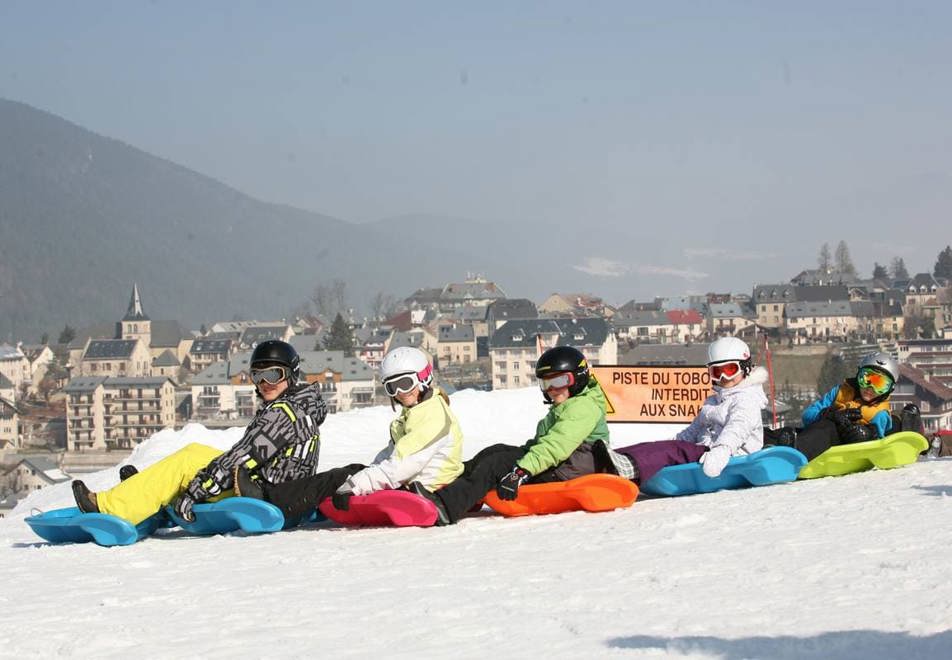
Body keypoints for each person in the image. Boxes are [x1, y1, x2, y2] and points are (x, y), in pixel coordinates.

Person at [70, 340, 326, 525]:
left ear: (291, 375)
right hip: (274, 491)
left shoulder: (282, 413)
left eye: (273, 374)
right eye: (257, 375)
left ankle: (109, 508)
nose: (264, 383)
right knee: (197, 455)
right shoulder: (301, 406)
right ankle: (144, 491)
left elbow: (241, 457)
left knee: (186, 462)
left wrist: (196, 492)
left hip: (263, 498)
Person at [235, 346, 465, 527]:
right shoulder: (418, 410)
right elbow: (393, 454)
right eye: (391, 388)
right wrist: (366, 473)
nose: (400, 393)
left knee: (341, 478)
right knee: (352, 471)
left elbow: (401, 465)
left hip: (420, 488)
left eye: (405, 384)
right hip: (411, 481)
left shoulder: (430, 415)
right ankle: (279, 496)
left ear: (423, 378)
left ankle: (269, 500)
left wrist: (354, 486)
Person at [413, 345, 629, 525]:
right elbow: (543, 443)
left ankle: (444, 507)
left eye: (560, 381)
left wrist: (520, 472)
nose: (553, 389)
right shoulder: (571, 403)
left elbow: (555, 446)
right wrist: (519, 457)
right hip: (565, 462)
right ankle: (449, 490)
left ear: (579, 378)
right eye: (547, 383)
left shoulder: (582, 407)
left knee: (496, 464)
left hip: (571, 467)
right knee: (495, 451)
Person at [611, 336, 768, 486]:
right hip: (705, 451)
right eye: (716, 372)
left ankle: (626, 468)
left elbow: (737, 429)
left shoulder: (747, 400)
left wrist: (721, 452)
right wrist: (670, 443)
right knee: (660, 447)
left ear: (745, 368)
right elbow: (692, 431)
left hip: (728, 457)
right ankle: (615, 458)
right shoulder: (713, 401)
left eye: (730, 369)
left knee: (674, 451)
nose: (723, 377)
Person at [763, 352, 903, 461]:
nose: (870, 388)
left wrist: (864, 434)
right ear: (858, 375)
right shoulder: (840, 392)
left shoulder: (880, 413)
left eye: (879, 385)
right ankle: (761, 443)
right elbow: (807, 415)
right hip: (815, 435)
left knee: (828, 428)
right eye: (866, 379)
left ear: (889, 389)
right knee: (789, 432)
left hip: (840, 444)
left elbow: (879, 442)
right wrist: (829, 414)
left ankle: (792, 455)